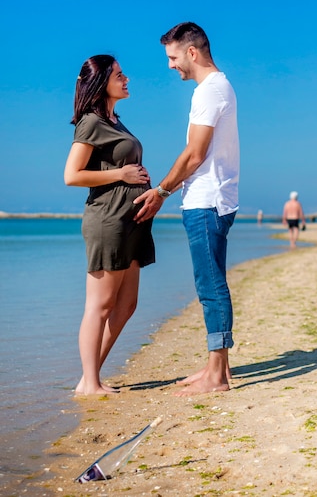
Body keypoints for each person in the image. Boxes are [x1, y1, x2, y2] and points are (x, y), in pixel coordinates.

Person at [134, 22, 239, 396]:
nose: (170, 65)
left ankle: (216, 376)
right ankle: (218, 368)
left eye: (173, 57)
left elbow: (195, 155)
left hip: (207, 201)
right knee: (210, 282)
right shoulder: (217, 88)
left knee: (210, 286)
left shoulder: (209, 91)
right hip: (214, 198)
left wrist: (161, 191)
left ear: (192, 52)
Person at [64, 55, 155, 395]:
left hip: (132, 221)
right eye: (119, 74)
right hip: (108, 220)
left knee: (127, 304)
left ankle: (89, 377)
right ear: (102, 81)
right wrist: (121, 174)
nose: (126, 78)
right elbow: (71, 175)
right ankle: (91, 383)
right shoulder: (90, 122)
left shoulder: (116, 121)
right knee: (100, 305)